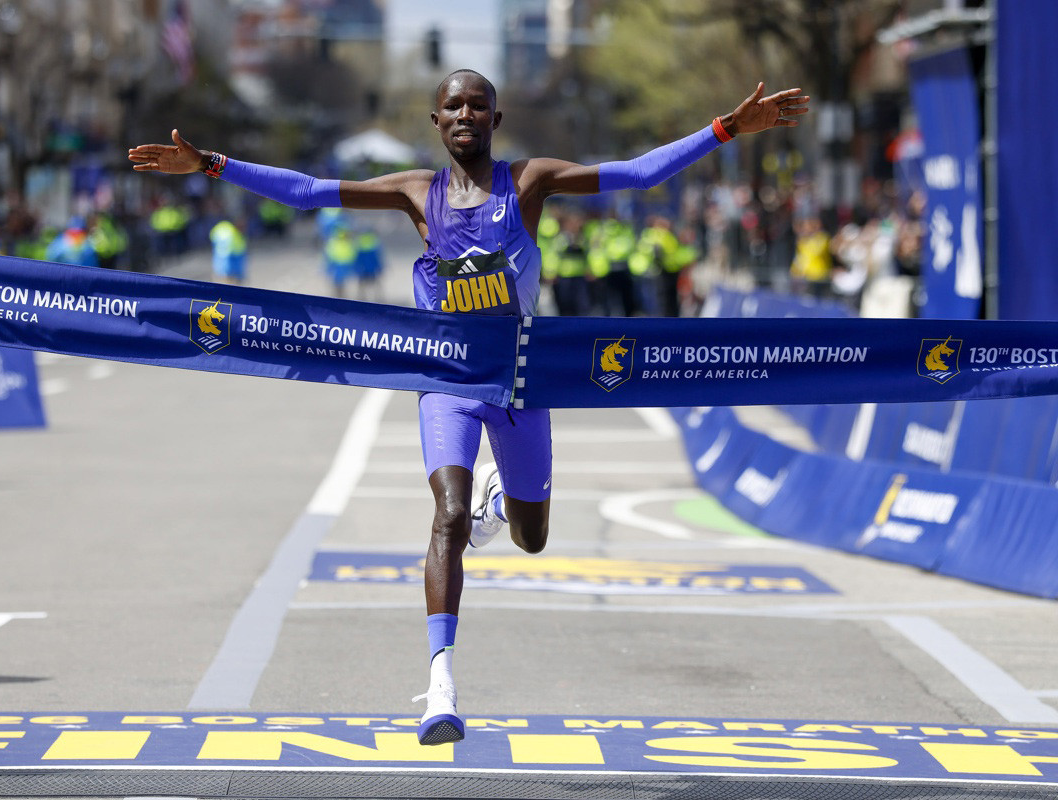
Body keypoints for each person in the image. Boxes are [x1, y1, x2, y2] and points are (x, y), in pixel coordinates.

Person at [128, 71, 808, 746]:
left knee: (531, 537)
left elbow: (635, 174)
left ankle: (500, 503)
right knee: (448, 516)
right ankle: (441, 684)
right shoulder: (416, 192)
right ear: (436, 121)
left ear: (495, 119)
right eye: (452, 105)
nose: (464, 114)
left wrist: (726, 128)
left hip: (519, 385)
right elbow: (307, 192)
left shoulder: (530, 182)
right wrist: (211, 163)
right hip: (448, 381)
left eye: (477, 106)